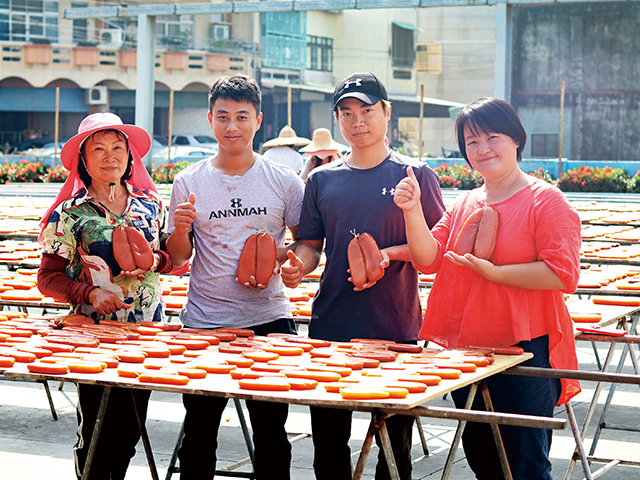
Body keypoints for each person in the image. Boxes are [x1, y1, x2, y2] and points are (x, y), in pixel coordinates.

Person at [393, 97, 582, 480]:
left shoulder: (545, 200)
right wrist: (412, 211)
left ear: (515, 139)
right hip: (467, 346)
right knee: (481, 456)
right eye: (471, 142)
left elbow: (562, 274)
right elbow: (427, 259)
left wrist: (496, 273)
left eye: (491, 137)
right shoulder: (465, 202)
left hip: (524, 347)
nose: (481, 149)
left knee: (525, 462)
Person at [281, 72, 445, 480]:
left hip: (395, 324)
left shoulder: (415, 174)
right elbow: (312, 243)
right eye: (347, 112)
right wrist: (298, 265)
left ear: (387, 113)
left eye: (367, 110)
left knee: (394, 449)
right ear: (338, 119)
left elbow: (438, 247)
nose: (358, 121)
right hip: (331, 323)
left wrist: (387, 255)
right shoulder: (321, 179)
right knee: (329, 445)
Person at [165, 74, 304, 480]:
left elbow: (306, 242)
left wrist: (293, 263)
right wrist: (178, 228)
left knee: (272, 432)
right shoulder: (188, 182)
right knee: (199, 433)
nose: (232, 127)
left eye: (242, 117)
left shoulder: (284, 180)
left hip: (270, 319)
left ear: (258, 120)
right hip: (204, 321)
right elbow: (178, 258)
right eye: (222, 116)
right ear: (209, 119)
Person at [37, 112, 175, 480]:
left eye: (118, 147)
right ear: (82, 159)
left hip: (146, 334)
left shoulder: (151, 206)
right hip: (92, 338)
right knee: (95, 435)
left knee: (129, 431)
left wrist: (155, 259)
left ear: (131, 157)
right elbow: (47, 278)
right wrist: (90, 291)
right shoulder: (70, 215)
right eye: (98, 148)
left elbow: (169, 260)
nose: (110, 155)